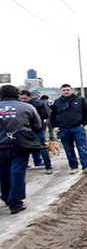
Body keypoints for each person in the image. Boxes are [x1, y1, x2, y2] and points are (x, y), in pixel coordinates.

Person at [0, 85, 42, 214]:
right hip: (20, 145)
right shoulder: (27, 107)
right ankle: (16, 202)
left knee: (3, 174)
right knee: (17, 172)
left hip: (1, 146)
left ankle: (7, 197)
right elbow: (37, 125)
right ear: (17, 94)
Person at [50, 84, 87, 174]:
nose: (66, 92)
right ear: (61, 91)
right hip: (63, 129)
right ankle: (73, 167)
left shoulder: (80, 100)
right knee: (68, 149)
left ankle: (86, 166)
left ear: (72, 90)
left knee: (82, 148)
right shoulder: (57, 102)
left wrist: (83, 123)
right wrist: (54, 127)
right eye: (64, 90)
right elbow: (53, 115)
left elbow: (86, 113)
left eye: (67, 90)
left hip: (77, 128)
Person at [19, 89, 53, 174]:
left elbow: (46, 114)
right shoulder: (19, 106)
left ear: (30, 97)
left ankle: (48, 166)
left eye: (25, 98)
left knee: (41, 147)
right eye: (21, 99)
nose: (23, 100)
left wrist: (34, 118)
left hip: (37, 128)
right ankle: (24, 165)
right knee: (23, 148)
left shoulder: (39, 104)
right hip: (24, 129)